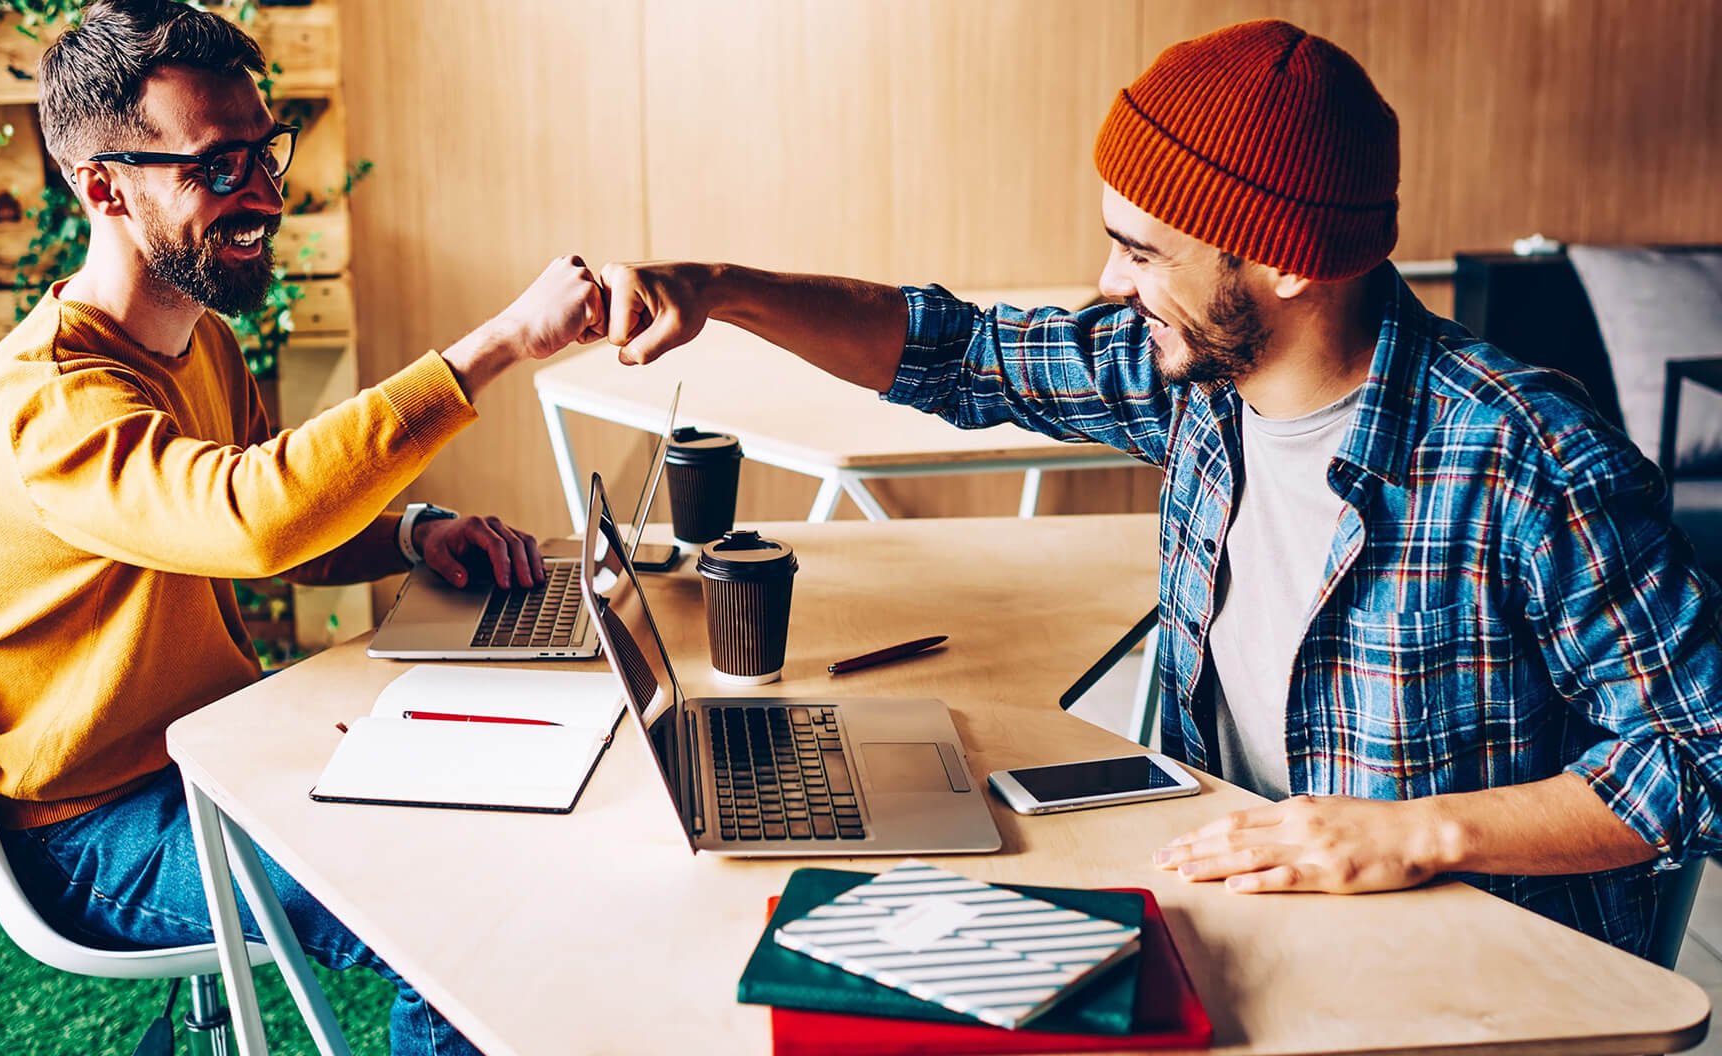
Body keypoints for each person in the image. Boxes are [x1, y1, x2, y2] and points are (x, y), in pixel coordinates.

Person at [593, 18, 1722, 957]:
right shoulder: (1194, 380)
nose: (1107, 281)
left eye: (1141, 251)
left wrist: (1417, 835)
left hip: (1478, 969)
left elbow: (1701, 757)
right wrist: (722, 288)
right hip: (1257, 917)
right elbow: (953, 349)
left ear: (1282, 257)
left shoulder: (1530, 459)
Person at [0, 2, 600, 1051]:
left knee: (521, 796)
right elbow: (251, 518)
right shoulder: (54, 399)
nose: (262, 193)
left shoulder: (196, 341)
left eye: (265, 153)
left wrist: (412, 535)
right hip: (104, 829)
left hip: (213, 747)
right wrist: (497, 345)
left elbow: (282, 516)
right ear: (104, 187)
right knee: (459, 897)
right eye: (217, 167)